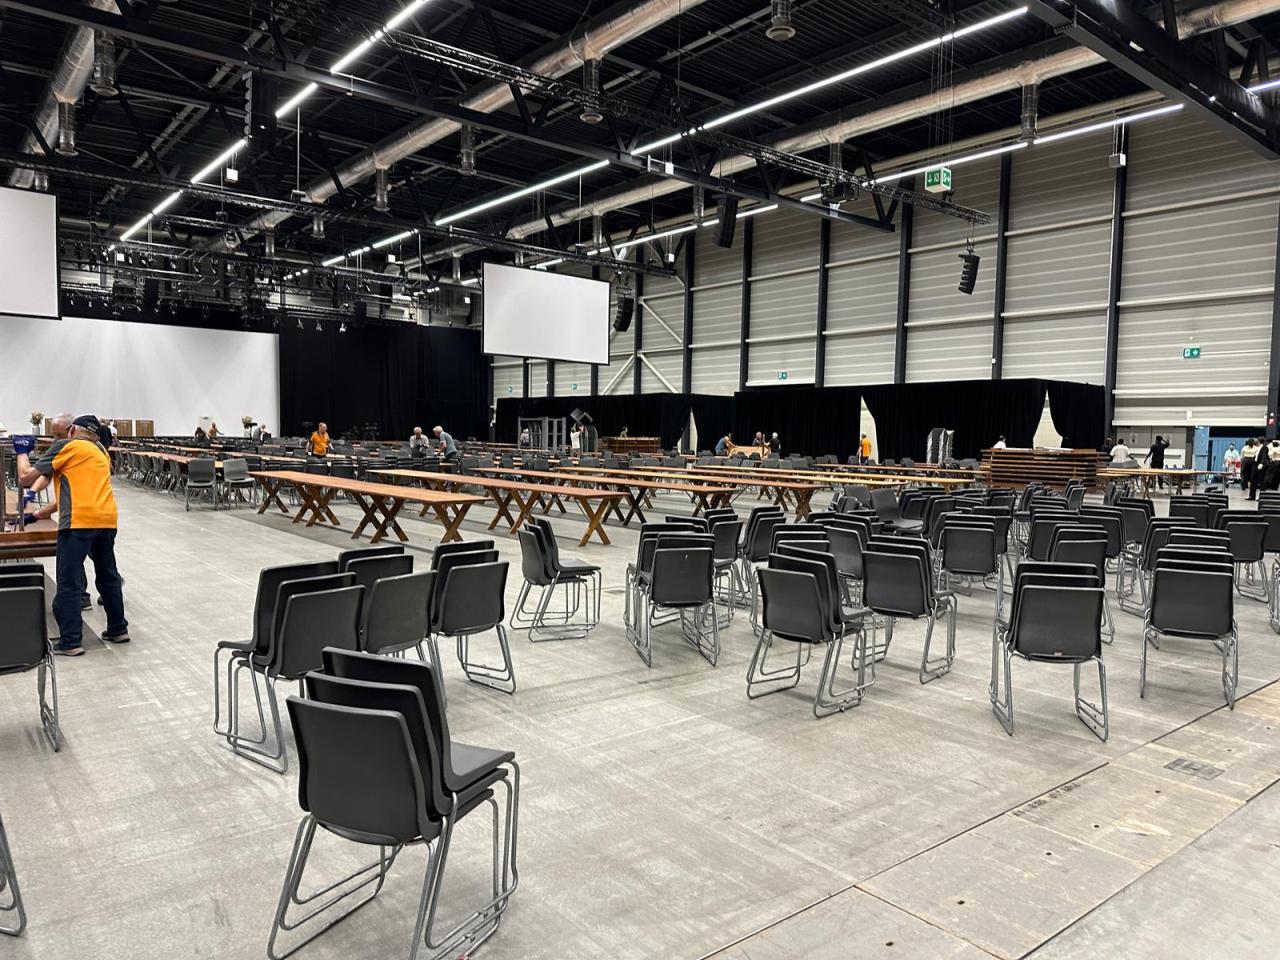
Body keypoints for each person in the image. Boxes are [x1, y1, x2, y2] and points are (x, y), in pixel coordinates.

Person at [12, 416, 128, 656]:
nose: (57, 438)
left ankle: (71, 641)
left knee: (69, 580)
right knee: (108, 576)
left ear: (72, 429)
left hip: (78, 523)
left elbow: (25, 477)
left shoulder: (67, 445)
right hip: (106, 519)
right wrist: (39, 514)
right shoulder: (100, 451)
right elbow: (73, 492)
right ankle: (118, 629)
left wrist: (22, 451)